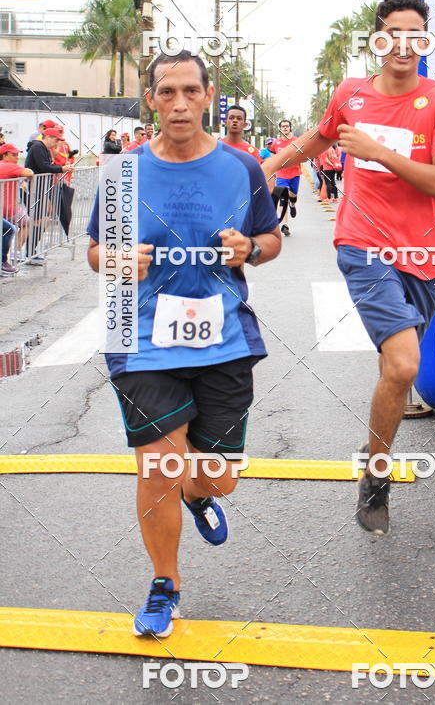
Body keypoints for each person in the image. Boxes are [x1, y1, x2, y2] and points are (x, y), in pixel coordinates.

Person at [87, 51, 281, 638]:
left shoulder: (242, 168)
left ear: (207, 96)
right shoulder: (122, 173)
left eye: (190, 91)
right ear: (151, 99)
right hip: (142, 340)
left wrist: (251, 250)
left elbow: (270, 239)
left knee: (218, 477)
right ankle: (164, 584)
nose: (178, 103)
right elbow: (95, 252)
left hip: (224, 341)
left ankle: (199, 496)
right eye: (166, 92)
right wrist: (118, 260)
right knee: (159, 468)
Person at [263, 0, 435, 535]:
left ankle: (375, 444)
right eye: (393, 33)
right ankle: (377, 474)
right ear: (377, 39)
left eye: (414, 35)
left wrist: (379, 152)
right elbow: (319, 138)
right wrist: (268, 168)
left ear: (426, 42)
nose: (403, 44)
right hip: (364, 245)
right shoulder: (351, 94)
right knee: (403, 366)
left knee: (392, 370)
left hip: (425, 255)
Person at [25, 127, 73, 263]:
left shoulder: (43, 149)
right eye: (56, 140)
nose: (57, 143)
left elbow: (46, 166)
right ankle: (29, 253)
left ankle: (31, 251)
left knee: (41, 220)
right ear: (48, 138)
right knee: (37, 221)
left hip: (40, 188)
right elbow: (44, 166)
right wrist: (62, 168)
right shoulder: (38, 147)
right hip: (35, 189)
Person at [0, 142, 33, 256]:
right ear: (4, 155)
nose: (17, 158)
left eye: (17, 155)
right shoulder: (9, 166)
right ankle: (15, 252)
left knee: (6, 230)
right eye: (13, 155)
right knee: (27, 223)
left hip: (5, 206)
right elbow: (29, 172)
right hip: (9, 208)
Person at [270, 119, 301, 237]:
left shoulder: (296, 141)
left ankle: (292, 204)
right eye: (283, 126)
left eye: (287, 126)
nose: (285, 128)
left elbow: (303, 153)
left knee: (293, 196)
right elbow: (273, 156)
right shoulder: (276, 143)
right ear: (280, 128)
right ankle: (284, 224)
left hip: (295, 173)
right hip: (281, 174)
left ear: (290, 128)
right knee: (283, 198)